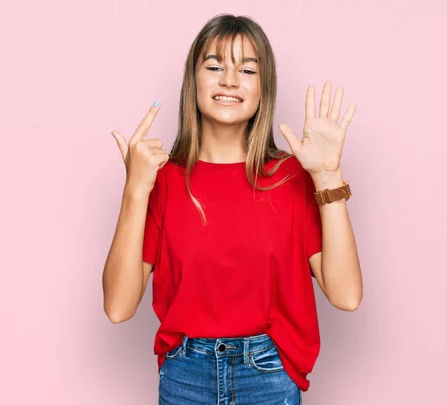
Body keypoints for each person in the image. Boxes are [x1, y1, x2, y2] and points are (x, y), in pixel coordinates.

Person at [103, 13, 363, 405]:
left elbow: (346, 295)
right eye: (214, 66)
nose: (229, 80)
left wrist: (327, 176)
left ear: (264, 88)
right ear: (193, 82)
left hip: (270, 376)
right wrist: (135, 190)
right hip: (184, 378)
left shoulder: (291, 177)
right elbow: (118, 308)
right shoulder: (162, 180)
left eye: (246, 69)